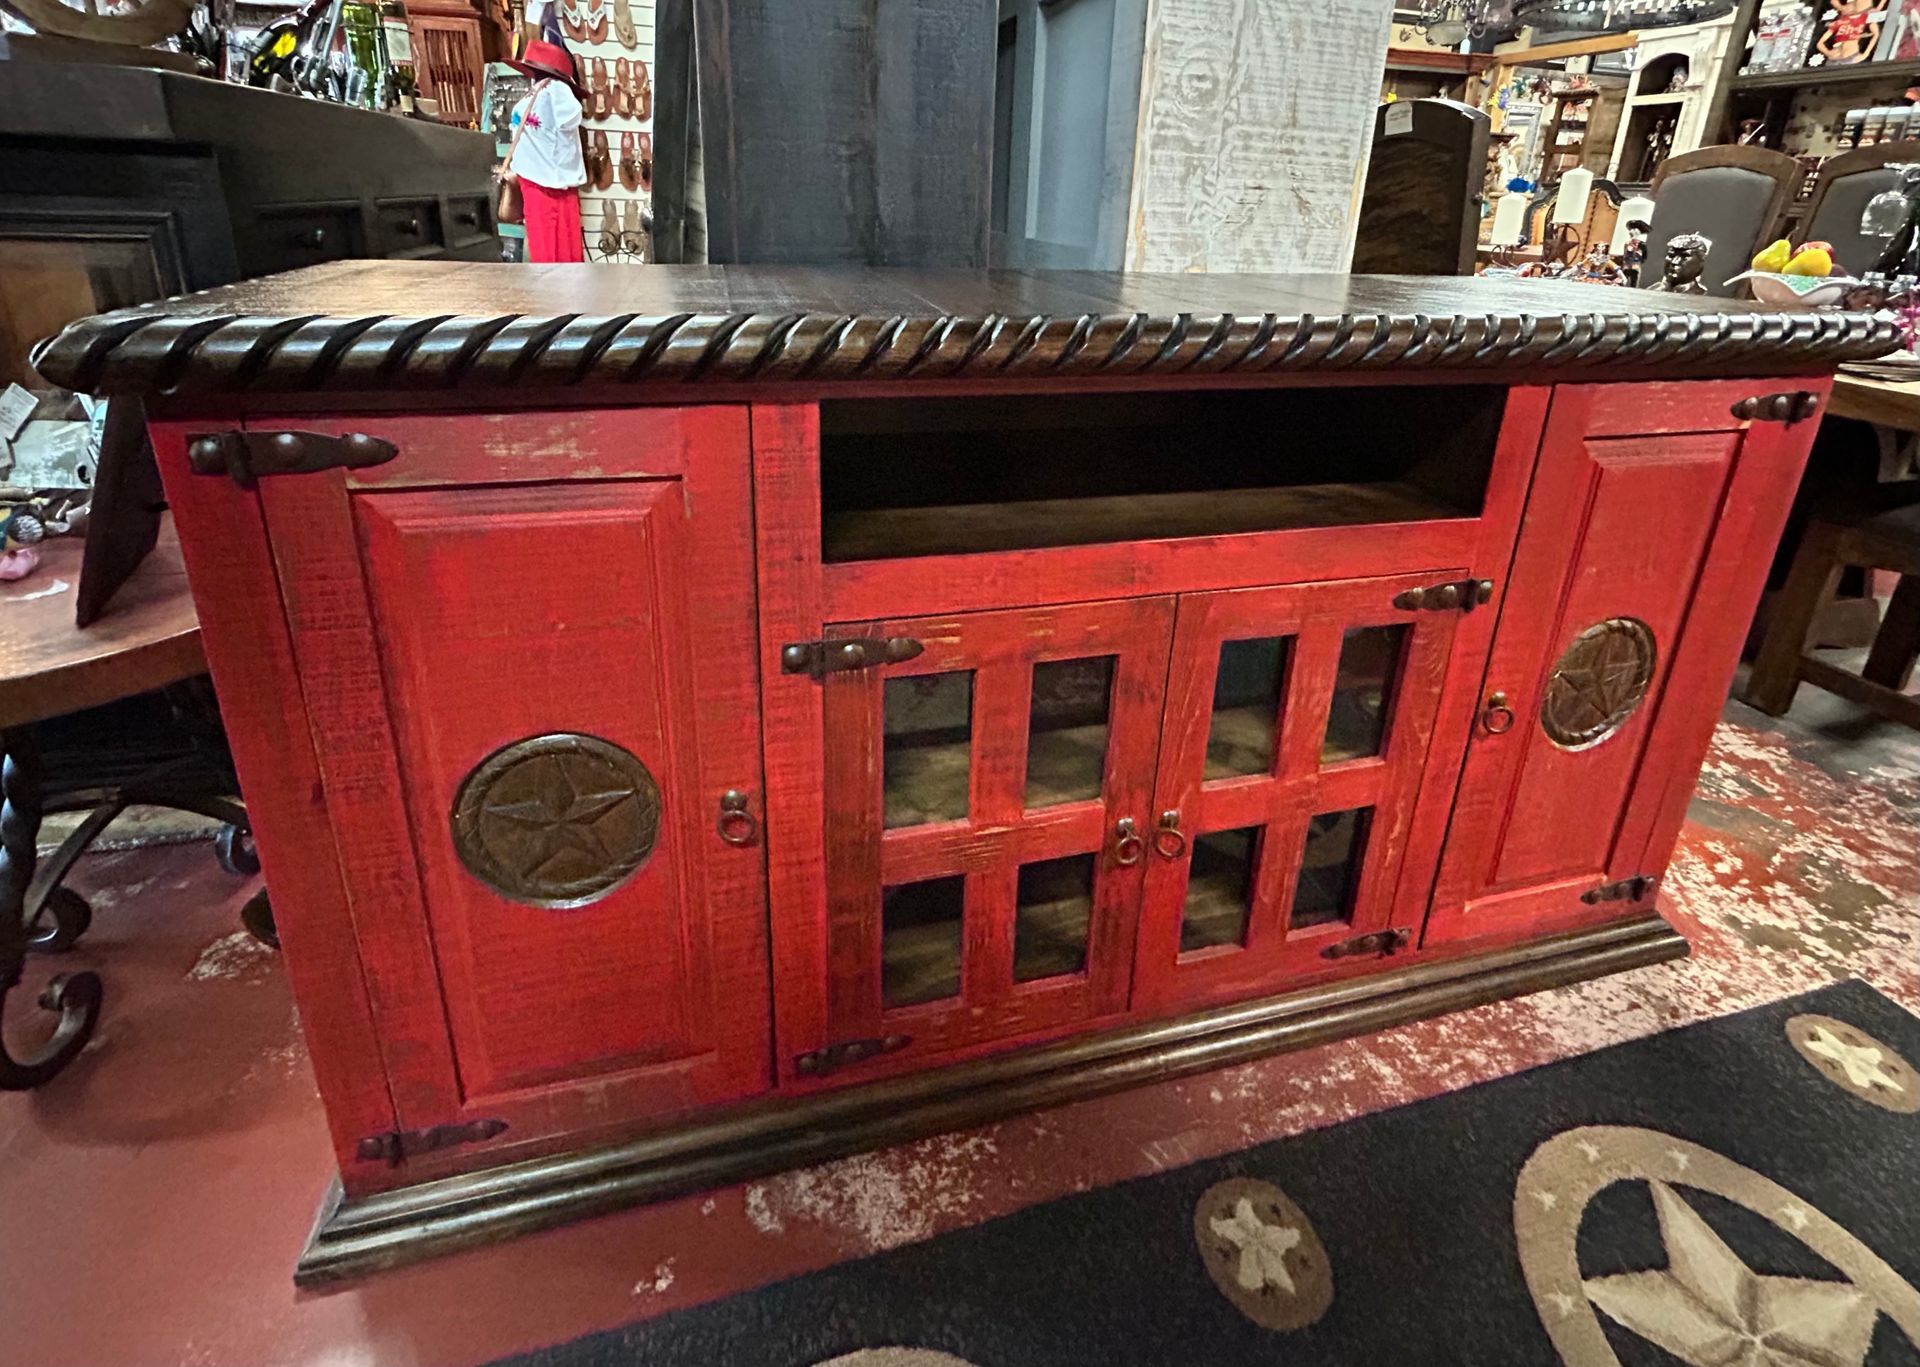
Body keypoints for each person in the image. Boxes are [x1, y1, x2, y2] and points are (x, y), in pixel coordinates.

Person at [497, 17, 588, 263]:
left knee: (542, 249)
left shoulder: (528, 97)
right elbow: (572, 117)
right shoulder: (557, 92)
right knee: (561, 251)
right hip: (553, 186)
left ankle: (551, 294)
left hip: (533, 182)